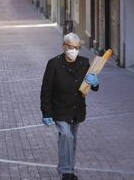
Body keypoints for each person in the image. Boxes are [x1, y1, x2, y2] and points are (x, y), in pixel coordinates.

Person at [40, 33, 99, 180]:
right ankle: (66, 171)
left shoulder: (84, 63)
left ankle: (69, 170)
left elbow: (91, 86)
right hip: (59, 108)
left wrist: (95, 82)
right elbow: (46, 90)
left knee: (72, 139)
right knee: (66, 135)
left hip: (76, 109)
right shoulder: (54, 63)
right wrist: (46, 113)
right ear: (64, 47)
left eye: (77, 48)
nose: (74, 50)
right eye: (71, 47)